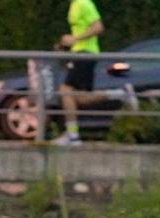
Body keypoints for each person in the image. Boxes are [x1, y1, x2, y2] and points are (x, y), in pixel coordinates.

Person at [54, 0, 103, 145]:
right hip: (80, 54)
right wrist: (64, 44)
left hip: (85, 54)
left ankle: (73, 136)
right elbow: (80, 31)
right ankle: (120, 93)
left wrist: (74, 39)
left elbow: (98, 27)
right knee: (80, 98)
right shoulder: (74, 4)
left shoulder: (84, 3)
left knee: (65, 90)